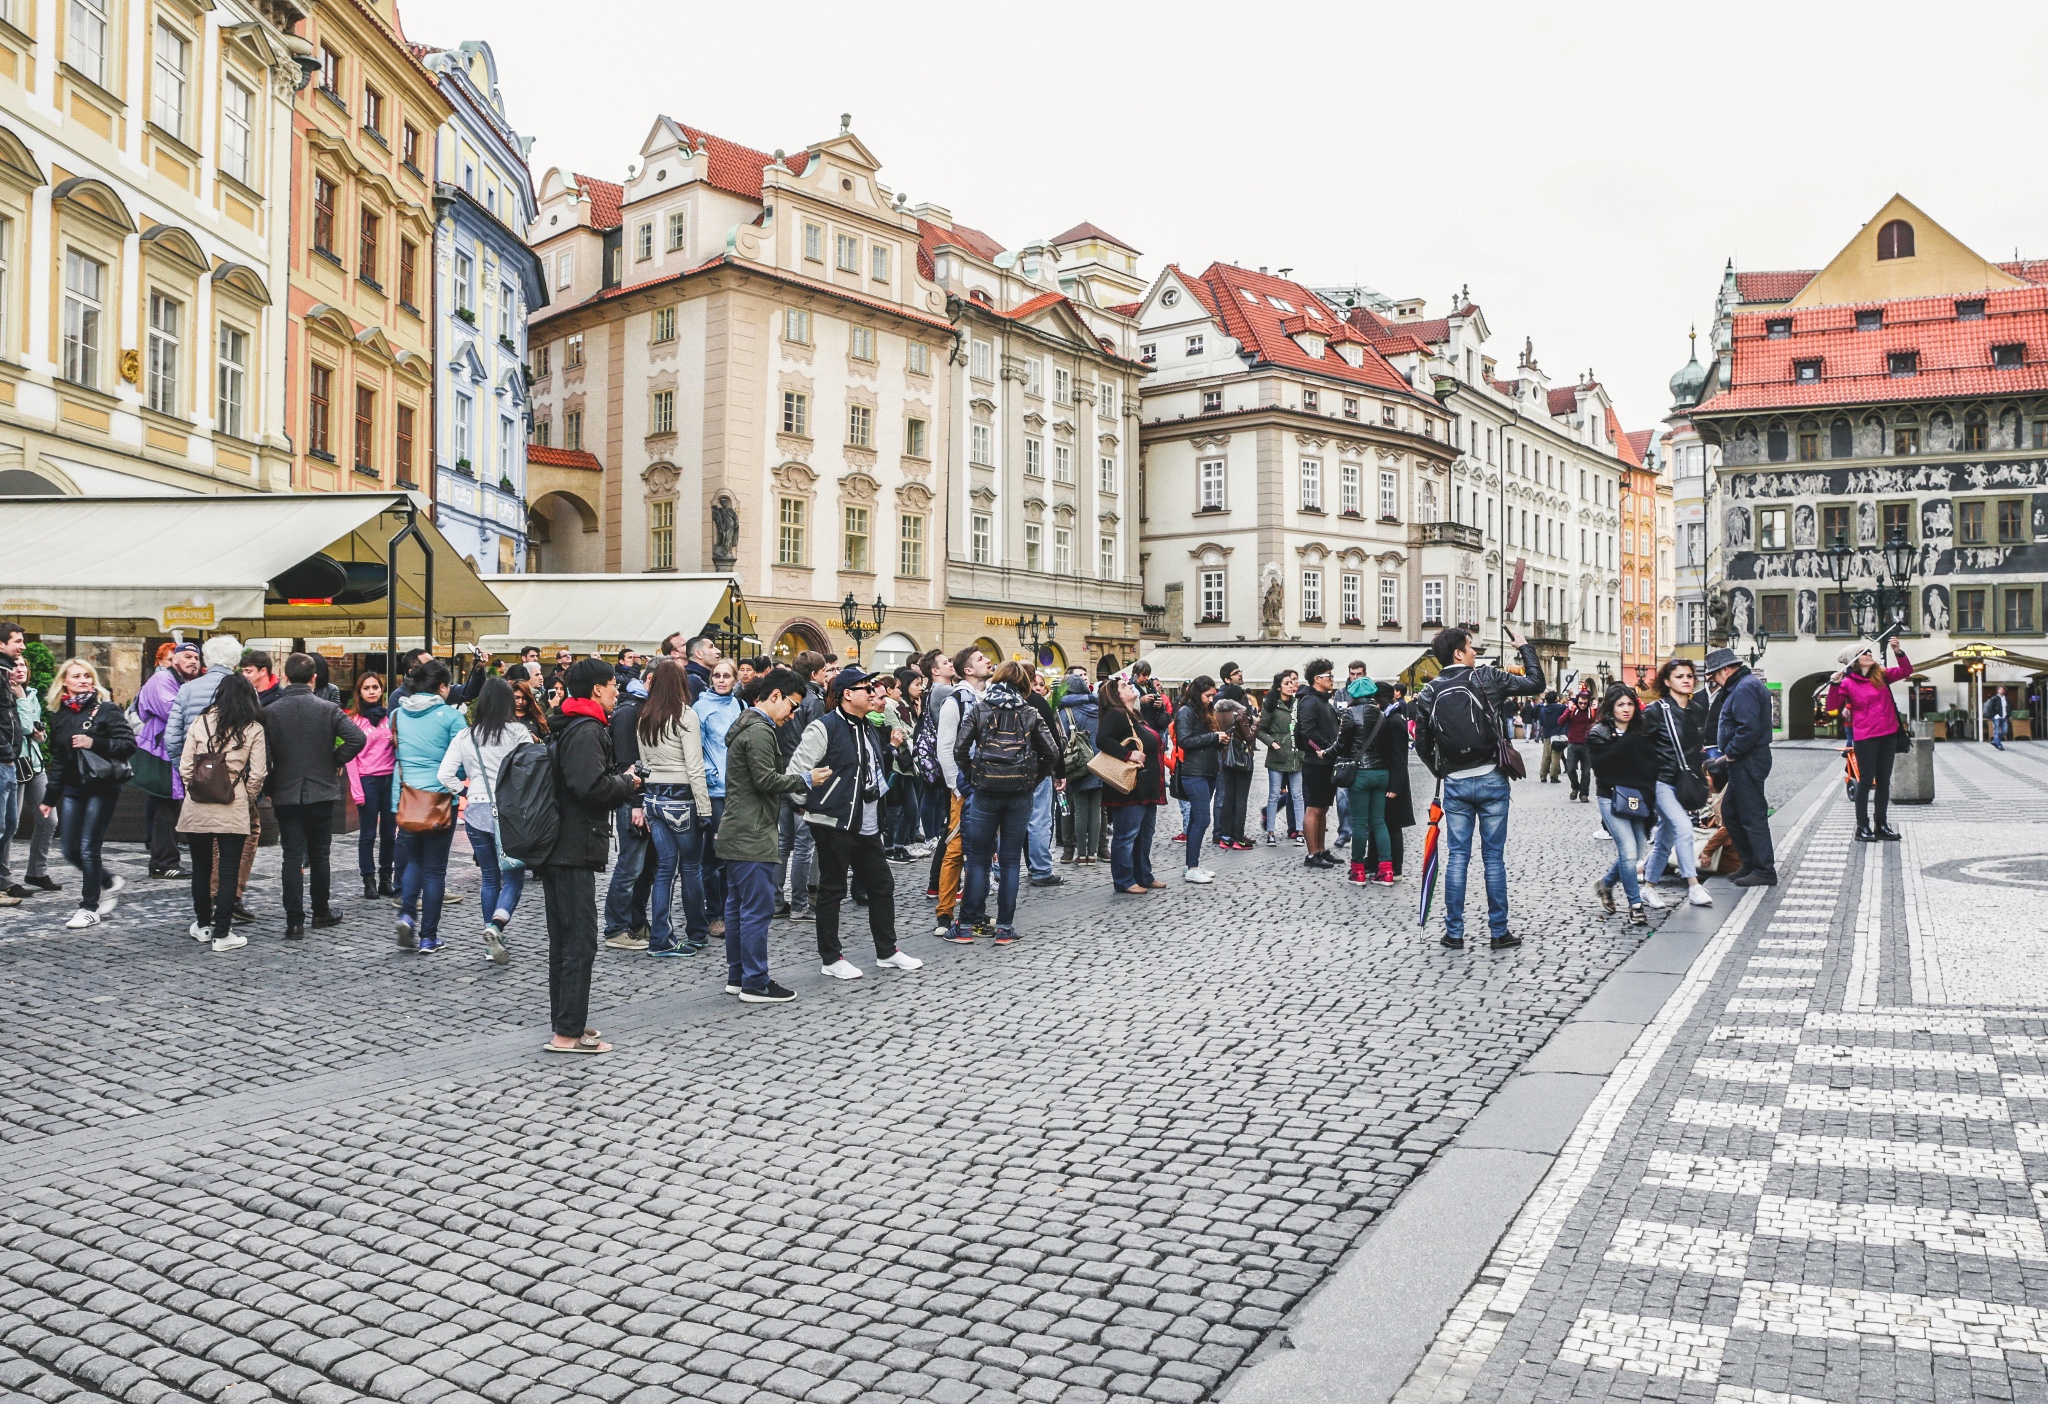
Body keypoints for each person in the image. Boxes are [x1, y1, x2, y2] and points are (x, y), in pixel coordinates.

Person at [785, 665, 923, 977]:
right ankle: (831, 959)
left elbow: (870, 771)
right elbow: (797, 772)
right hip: (835, 822)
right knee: (832, 889)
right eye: (866, 688)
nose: (874, 692)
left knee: (882, 885)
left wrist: (893, 750)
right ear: (847, 694)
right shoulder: (825, 727)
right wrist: (812, 808)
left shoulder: (868, 728)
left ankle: (887, 951)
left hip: (867, 824)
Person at [1413, 625, 1544, 950]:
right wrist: (1524, 646)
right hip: (1491, 777)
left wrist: (1441, 770)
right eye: (1471, 647)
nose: (1475, 652)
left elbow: (1421, 743)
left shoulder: (1429, 691)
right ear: (1459, 653)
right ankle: (1499, 932)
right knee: (1493, 858)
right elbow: (1535, 682)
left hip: (1455, 782)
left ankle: (1453, 933)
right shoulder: (1487, 677)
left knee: (1458, 857)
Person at [536, 658, 642, 1050]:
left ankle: (568, 1021)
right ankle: (567, 1034)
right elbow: (589, 787)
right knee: (578, 940)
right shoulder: (586, 729)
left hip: (560, 845)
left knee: (565, 940)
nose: (617, 691)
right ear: (597, 689)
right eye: (613, 684)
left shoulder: (571, 724)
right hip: (572, 846)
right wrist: (627, 782)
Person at [717, 667, 822, 1004]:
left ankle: (739, 976)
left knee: (737, 907)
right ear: (774, 696)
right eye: (792, 707)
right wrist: (806, 779)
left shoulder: (747, 726)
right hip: (752, 833)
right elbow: (765, 780)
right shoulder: (760, 731)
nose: (792, 716)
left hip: (738, 829)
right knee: (755, 910)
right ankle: (755, 981)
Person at [949, 659, 1062, 942]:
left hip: (986, 791)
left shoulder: (981, 709)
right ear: (1023, 685)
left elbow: (960, 748)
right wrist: (1031, 780)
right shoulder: (1030, 712)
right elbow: (1052, 752)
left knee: (978, 859)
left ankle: (964, 928)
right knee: (1010, 862)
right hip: (1019, 795)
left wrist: (973, 775)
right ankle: (1005, 928)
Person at [263, 653, 366, 939]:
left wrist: (270, 785)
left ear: (285, 677)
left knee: (292, 856)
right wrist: (334, 759)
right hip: (321, 789)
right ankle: (321, 911)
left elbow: (264, 755)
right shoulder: (327, 709)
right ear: (314, 678)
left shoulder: (271, 711)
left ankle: (294, 920)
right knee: (320, 854)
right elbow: (358, 738)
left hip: (286, 791)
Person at [437, 676, 533, 964]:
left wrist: (465, 790)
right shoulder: (517, 732)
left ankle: (489, 945)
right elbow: (531, 767)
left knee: (490, 877)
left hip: (477, 811)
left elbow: (444, 775)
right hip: (511, 811)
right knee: (514, 876)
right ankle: (496, 926)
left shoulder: (466, 735)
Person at [37, 658, 136, 930]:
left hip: (102, 788)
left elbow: (128, 744)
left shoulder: (106, 710)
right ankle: (109, 882)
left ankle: (89, 907)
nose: (83, 680)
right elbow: (59, 760)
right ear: (64, 682)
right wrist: (49, 798)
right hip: (72, 789)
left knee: (89, 847)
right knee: (69, 849)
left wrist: (95, 742)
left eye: (88, 676)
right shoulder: (59, 714)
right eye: (76, 676)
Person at [175, 671, 267, 950]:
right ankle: (222, 933)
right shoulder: (253, 729)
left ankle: (203, 925)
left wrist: (197, 788)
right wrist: (246, 796)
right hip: (233, 803)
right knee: (228, 869)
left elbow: (185, 767)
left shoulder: (199, 722)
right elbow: (259, 773)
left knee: (201, 868)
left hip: (197, 805)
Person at [635, 660, 713, 957]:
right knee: (691, 867)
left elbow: (644, 763)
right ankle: (696, 932)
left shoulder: (644, 715)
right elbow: (695, 766)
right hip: (682, 798)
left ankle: (660, 938)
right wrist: (704, 809)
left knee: (665, 869)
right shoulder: (685, 715)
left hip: (654, 797)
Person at [390, 659, 469, 953]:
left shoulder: (397, 714)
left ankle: (407, 916)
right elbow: (460, 765)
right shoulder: (451, 718)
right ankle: (428, 937)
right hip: (439, 802)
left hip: (408, 800)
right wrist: (458, 784)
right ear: (443, 687)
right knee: (435, 870)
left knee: (414, 862)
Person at [1642, 659, 1714, 908]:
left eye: (1690, 676)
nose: (1686, 680)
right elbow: (1639, 745)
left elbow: (1697, 747)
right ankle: (1693, 885)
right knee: (1683, 828)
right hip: (1661, 781)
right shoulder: (1655, 711)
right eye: (1680, 676)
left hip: (1685, 782)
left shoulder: (1697, 709)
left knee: (1665, 838)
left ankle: (1648, 888)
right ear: (1667, 681)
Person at [1826, 639, 1913, 843]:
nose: (1869, 654)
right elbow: (1832, 709)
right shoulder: (1848, 683)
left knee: (1884, 781)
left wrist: (1898, 652)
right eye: (1864, 653)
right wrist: (1834, 684)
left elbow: (1906, 671)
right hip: (1866, 737)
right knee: (1866, 782)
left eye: (1869, 652)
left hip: (1888, 734)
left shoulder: (1881, 675)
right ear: (1854, 661)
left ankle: (1881, 825)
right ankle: (1862, 826)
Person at [1588, 684, 1661, 924]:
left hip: (1638, 797)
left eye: (1630, 704)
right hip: (1610, 796)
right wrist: (1628, 744)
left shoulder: (1642, 730)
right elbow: (1603, 766)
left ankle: (1606, 884)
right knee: (1628, 851)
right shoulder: (1599, 732)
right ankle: (1635, 905)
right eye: (1620, 705)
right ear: (1611, 707)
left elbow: (1650, 764)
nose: (1626, 709)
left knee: (1637, 851)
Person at [1703, 647, 1776, 886]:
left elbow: (1748, 728)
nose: (1714, 680)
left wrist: (1731, 753)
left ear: (1726, 670)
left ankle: (1764, 869)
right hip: (1744, 759)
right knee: (1732, 813)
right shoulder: (1742, 685)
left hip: (1748, 759)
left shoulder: (1744, 688)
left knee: (1752, 816)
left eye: (1714, 675)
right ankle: (1750, 863)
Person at [933, 644, 992, 935]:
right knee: (955, 849)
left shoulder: (991, 698)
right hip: (965, 786)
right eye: (981, 659)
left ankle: (976, 911)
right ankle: (944, 913)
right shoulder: (954, 701)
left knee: (982, 852)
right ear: (968, 670)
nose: (988, 661)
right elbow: (944, 748)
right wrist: (957, 786)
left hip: (989, 785)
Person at [134, 641, 203, 877]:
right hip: (160, 751)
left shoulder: (179, 681)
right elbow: (173, 711)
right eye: (187, 656)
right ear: (174, 659)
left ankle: (161, 859)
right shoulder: (163, 680)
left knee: (163, 805)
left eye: (196, 657)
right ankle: (165, 863)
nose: (193, 661)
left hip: (165, 750)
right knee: (166, 805)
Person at [773, 650, 832, 922]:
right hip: (804, 778)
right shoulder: (814, 701)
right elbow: (815, 745)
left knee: (783, 844)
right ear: (814, 674)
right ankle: (799, 905)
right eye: (823, 671)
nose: (825, 675)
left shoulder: (785, 699)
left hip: (781, 774)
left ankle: (776, 901)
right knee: (804, 845)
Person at [602, 668, 655, 951]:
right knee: (630, 866)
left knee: (645, 868)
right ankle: (616, 927)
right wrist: (637, 802)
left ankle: (635, 922)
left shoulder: (641, 708)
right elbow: (627, 765)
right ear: (649, 680)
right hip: (633, 800)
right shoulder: (628, 712)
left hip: (643, 799)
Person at [1098, 673, 1165, 896]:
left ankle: (1144, 875)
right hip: (1129, 787)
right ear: (1116, 695)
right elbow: (1103, 740)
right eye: (1125, 686)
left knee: (1144, 835)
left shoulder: (1134, 714)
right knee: (1125, 836)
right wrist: (1128, 754)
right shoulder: (1116, 714)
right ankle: (1124, 879)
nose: (1130, 687)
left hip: (1145, 786)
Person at [1, 656, 59, 903]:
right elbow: (24, 727)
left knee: (49, 820)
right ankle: (4, 879)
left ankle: (36, 872)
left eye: (24, 665)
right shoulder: (11, 694)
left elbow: (36, 732)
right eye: (15, 665)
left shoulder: (31, 693)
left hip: (34, 765)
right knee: (7, 826)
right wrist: (22, 700)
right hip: (12, 765)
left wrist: (41, 735)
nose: (20, 669)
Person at [694, 658, 743, 940]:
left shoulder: (740, 706)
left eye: (726, 676)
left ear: (735, 679)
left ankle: (731, 908)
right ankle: (714, 913)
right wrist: (710, 773)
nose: (721, 680)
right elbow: (696, 748)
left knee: (733, 854)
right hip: (715, 791)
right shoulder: (701, 708)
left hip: (737, 790)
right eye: (717, 675)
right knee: (713, 856)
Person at [1334, 677, 1397, 887]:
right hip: (1381, 774)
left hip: (1360, 774)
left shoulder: (1350, 714)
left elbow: (1341, 746)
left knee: (1360, 823)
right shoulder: (1381, 715)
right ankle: (1386, 870)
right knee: (1379, 822)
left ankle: (1358, 871)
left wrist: (1326, 753)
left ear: (1353, 695)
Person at [345, 673, 398, 900]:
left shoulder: (391, 718)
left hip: (389, 780)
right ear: (360, 692)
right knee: (367, 835)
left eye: (375, 687)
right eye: (366, 688)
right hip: (367, 781)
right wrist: (357, 791)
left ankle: (387, 877)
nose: (372, 691)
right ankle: (368, 879)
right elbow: (350, 759)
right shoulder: (354, 721)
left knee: (389, 834)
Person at [1172, 676, 1229, 883]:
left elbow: (1204, 739)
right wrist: (1214, 738)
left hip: (1209, 770)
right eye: (1208, 695)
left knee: (1198, 819)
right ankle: (1192, 867)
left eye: (1213, 695)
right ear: (1198, 693)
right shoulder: (1186, 711)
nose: (1211, 699)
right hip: (1193, 772)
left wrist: (1220, 740)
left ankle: (1193, 863)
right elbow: (1185, 740)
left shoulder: (1204, 712)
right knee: (1202, 818)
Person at [1296, 660, 1342, 868]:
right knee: (1314, 808)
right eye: (1329, 676)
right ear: (1317, 679)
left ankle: (1321, 849)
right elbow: (1308, 730)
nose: (1332, 679)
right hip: (1316, 761)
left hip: (1326, 760)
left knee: (1323, 807)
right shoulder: (1309, 701)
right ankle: (1312, 854)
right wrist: (1327, 747)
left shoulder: (1323, 700)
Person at [1367, 683, 1416, 880]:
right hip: (1385, 778)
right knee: (1378, 822)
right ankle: (1373, 861)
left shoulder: (1394, 720)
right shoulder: (1386, 718)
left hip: (1394, 781)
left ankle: (1395, 866)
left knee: (1393, 824)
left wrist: (1395, 785)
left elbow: (1399, 756)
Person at [1057, 668, 1103, 867]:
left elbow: (1061, 739)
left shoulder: (1064, 710)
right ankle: (1093, 854)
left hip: (1077, 764)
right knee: (1096, 811)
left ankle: (1081, 854)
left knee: (1080, 811)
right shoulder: (1098, 708)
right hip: (1099, 763)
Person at [1022, 670, 1063, 889]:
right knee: (1038, 821)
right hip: (1037, 768)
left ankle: (1001, 869)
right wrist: (1058, 770)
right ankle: (1040, 869)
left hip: (1005, 770)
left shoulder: (994, 700)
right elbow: (1052, 741)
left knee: (1006, 822)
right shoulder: (1037, 702)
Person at [1257, 671, 1304, 844]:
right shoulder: (1271, 705)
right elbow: (1260, 730)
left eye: (1292, 682)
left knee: (1298, 795)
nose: (1291, 685)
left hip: (1296, 754)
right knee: (1274, 795)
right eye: (1287, 683)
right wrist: (1273, 743)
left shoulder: (1298, 704)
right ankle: (1271, 832)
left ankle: (1300, 831)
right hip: (1277, 755)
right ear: (1278, 687)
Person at [1560, 683, 1597, 801]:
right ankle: (1575, 787)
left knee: (1586, 772)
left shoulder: (1592, 711)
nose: (1582, 705)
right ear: (1577, 701)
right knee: (1570, 769)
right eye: (1580, 703)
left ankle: (1584, 794)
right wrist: (1568, 711)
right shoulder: (1573, 710)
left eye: (1585, 703)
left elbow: (1598, 724)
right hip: (1573, 743)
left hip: (1587, 745)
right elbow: (1560, 722)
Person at [1537, 691, 1567, 784]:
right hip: (1557, 734)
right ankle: (1554, 777)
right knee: (1556, 756)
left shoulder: (1543, 710)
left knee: (1546, 756)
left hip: (1547, 734)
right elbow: (1567, 709)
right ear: (1556, 699)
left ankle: (1543, 776)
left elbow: (1541, 723)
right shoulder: (1560, 708)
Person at [1985, 685, 2011, 751]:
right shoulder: (1994, 698)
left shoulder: (2006, 699)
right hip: (1996, 717)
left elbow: (2009, 707)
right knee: (1996, 730)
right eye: (2000, 689)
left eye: (2003, 689)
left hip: (2004, 716)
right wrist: (1994, 714)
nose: (2001, 691)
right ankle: (1999, 745)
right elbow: (1990, 707)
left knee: (2005, 730)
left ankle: (1995, 741)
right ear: (1997, 690)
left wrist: (2008, 714)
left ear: (2005, 691)